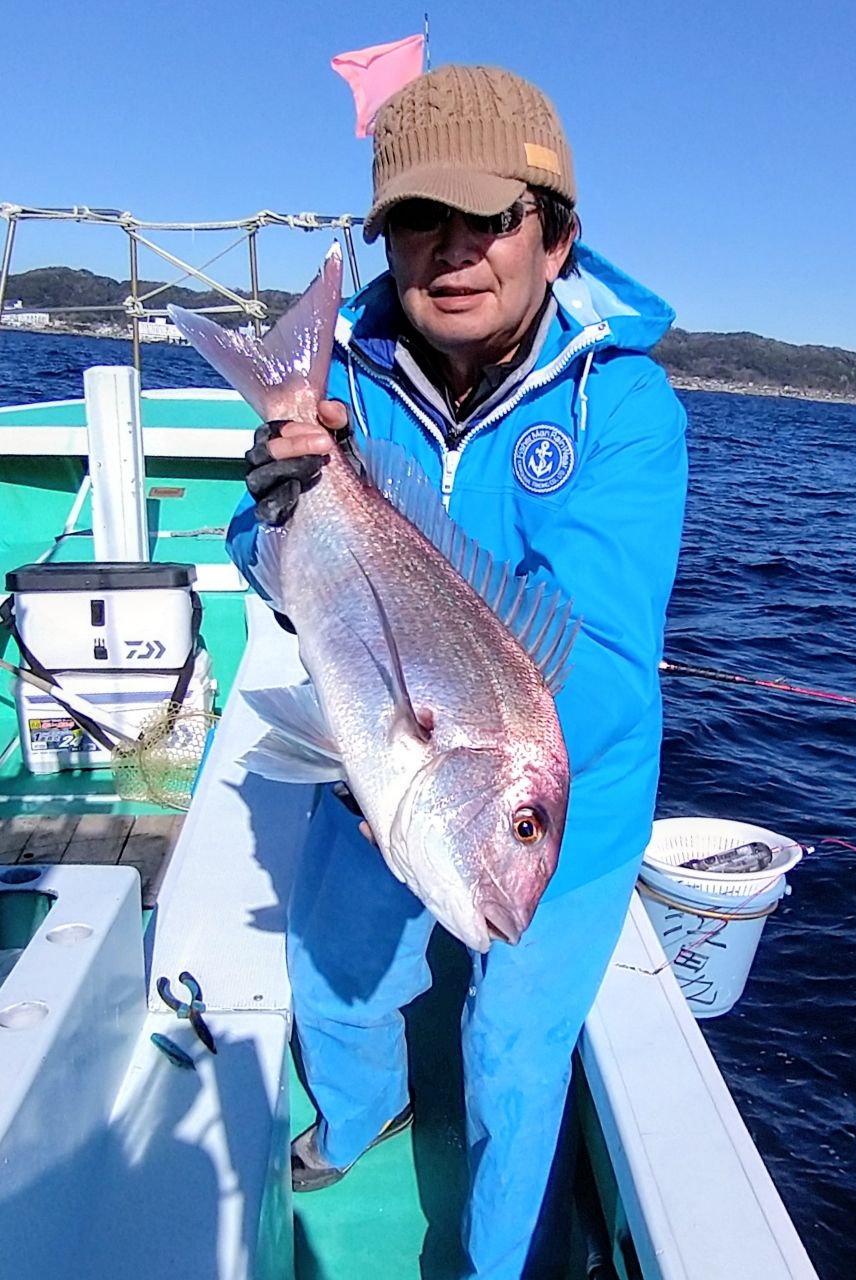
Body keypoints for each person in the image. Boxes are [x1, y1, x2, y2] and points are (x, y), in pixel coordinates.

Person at [227, 63, 687, 1280]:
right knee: (331, 965)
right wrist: (281, 503)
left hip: (548, 788)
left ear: (557, 231)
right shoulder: (346, 376)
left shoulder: (623, 406)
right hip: (384, 749)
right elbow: (259, 555)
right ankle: (358, 1105)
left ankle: (491, 1260)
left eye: (491, 218)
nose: (453, 251)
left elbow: (589, 655)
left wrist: (458, 776)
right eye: (418, 222)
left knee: (516, 1050)